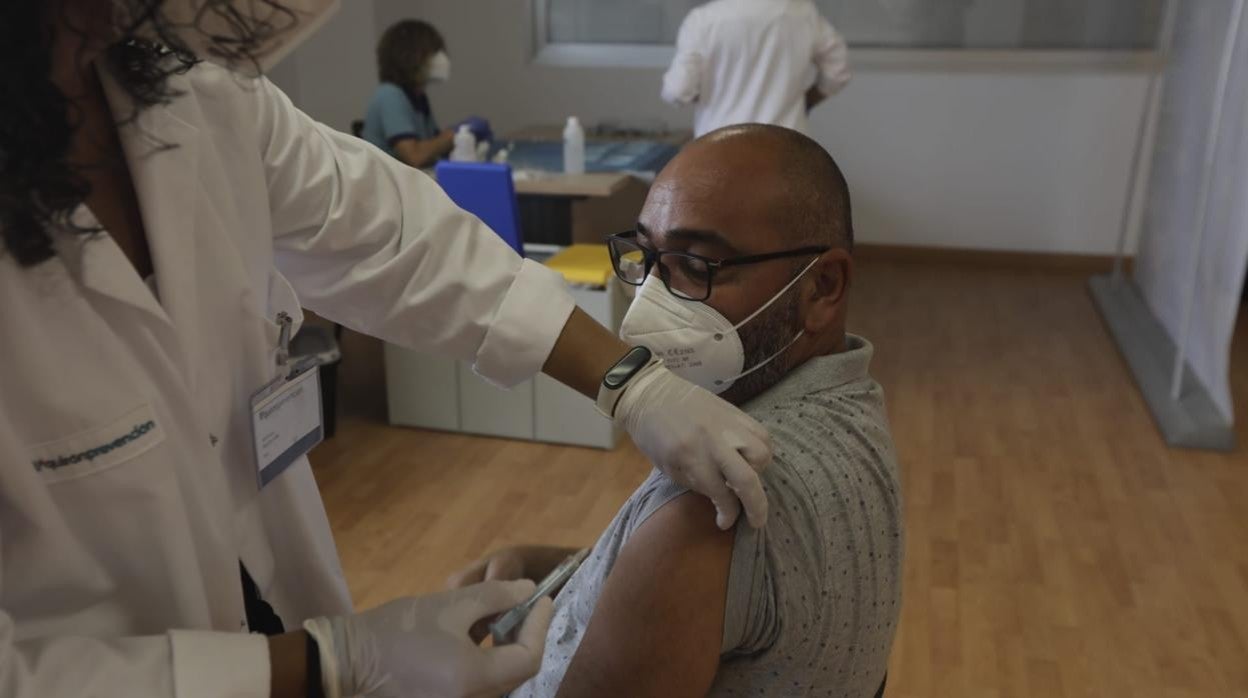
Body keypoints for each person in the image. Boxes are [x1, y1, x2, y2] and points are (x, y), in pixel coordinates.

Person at [0, 2, 776, 697]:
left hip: (262, 586)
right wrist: (332, 666)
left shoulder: (190, 95)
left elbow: (396, 236)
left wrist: (630, 384)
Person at [451, 124, 903, 697]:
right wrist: (557, 570)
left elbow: (684, 572)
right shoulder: (853, 406)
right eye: (647, 256)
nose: (649, 307)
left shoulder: (713, 502)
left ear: (823, 286)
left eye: (695, 264)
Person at [661, 0, 853, 137]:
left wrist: (707, 94)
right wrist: (807, 101)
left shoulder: (703, 21)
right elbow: (838, 70)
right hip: (786, 146)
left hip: (718, 147)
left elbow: (678, 91)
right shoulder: (801, 12)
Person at [360, 19, 491, 169]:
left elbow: (433, 146)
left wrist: (465, 138)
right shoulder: (389, 95)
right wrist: (455, 133)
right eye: (434, 52)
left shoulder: (417, 96)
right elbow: (415, 156)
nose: (441, 59)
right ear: (410, 56)